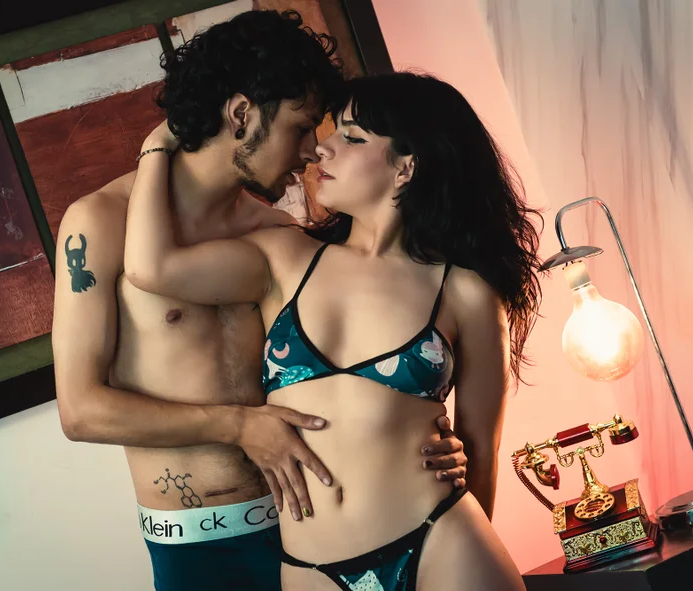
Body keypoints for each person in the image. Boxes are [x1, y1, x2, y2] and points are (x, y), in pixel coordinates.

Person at [52, 11, 468, 591]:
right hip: (199, 546)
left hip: (318, 529)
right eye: (301, 128)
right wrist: (240, 426)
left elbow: (353, 357)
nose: (311, 152)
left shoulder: (278, 233)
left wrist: (427, 436)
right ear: (242, 114)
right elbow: (81, 411)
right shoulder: (99, 224)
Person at [123, 71, 543, 591]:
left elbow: (479, 447)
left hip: (441, 541)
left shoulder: (464, 291)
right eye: (330, 132)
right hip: (312, 571)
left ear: (406, 167)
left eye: (352, 137)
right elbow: (150, 268)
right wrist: (158, 143)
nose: (323, 148)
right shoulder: (283, 257)